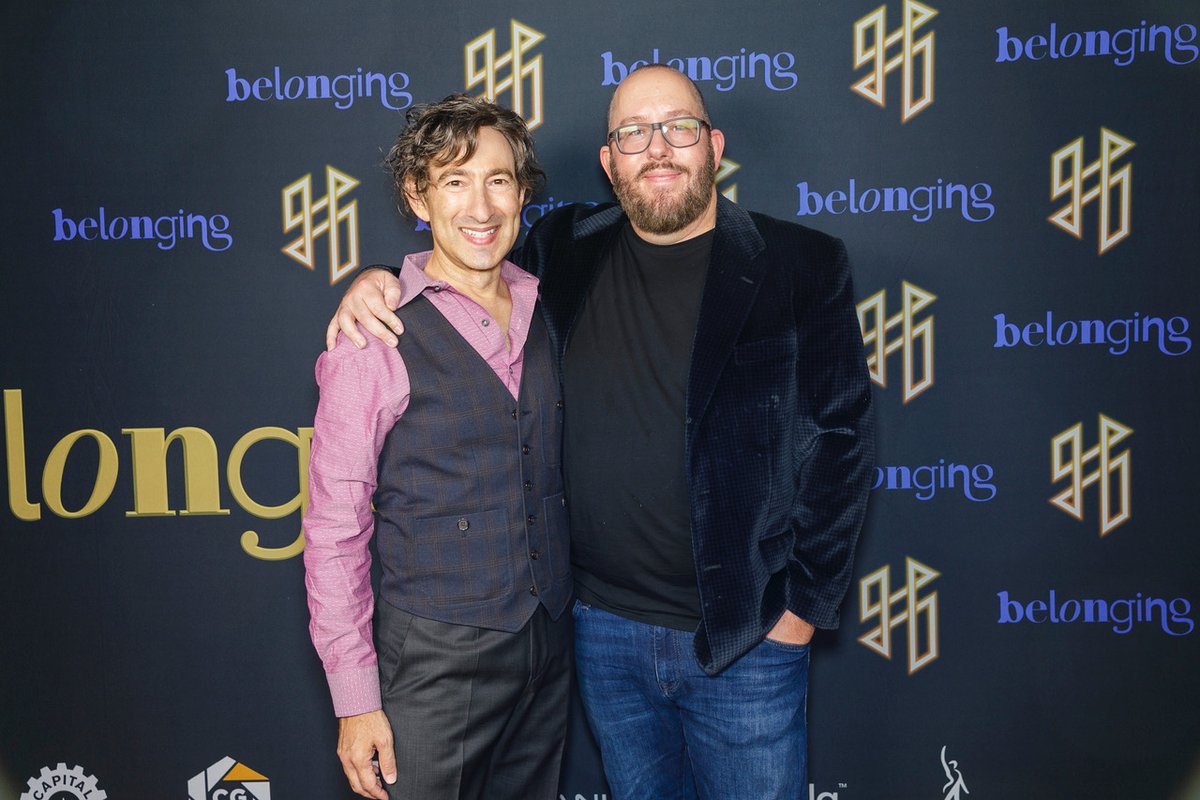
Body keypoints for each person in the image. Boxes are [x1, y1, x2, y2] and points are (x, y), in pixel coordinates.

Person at [330, 65, 874, 799]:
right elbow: (459, 263)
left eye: (678, 128)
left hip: (745, 637)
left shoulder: (802, 264)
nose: (658, 148)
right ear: (608, 161)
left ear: (714, 146)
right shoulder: (562, 247)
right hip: (600, 633)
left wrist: (801, 611)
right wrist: (377, 277)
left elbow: (841, 443)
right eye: (633, 133)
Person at [303, 95, 572, 800]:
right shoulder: (374, 334)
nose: (480, 206)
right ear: (417, 196)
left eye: (498, 180)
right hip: (434, 661)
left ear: (522, 192)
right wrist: (356, 700)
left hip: (548, 649)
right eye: (455, 181)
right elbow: (334, 527)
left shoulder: (546, 305)